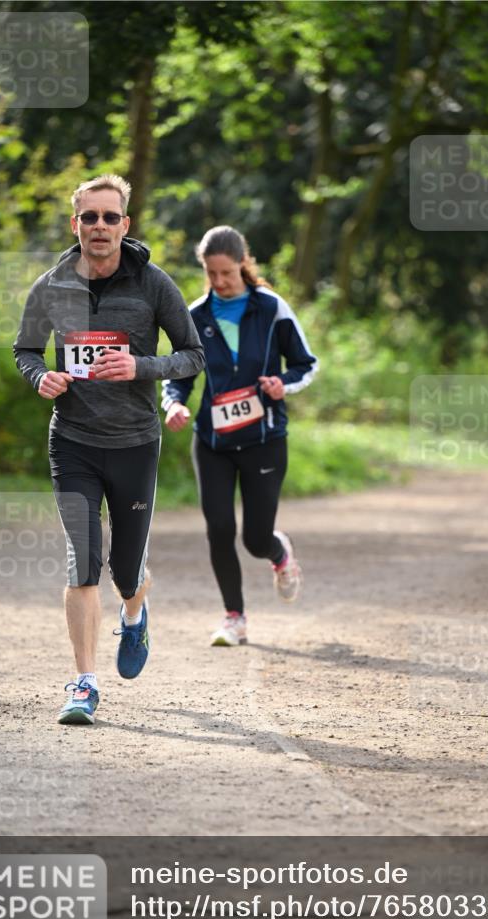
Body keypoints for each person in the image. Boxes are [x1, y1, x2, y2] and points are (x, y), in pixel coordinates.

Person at [13, 174, 205, 724]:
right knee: (82, 562)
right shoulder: (50, 286)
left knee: (125, 568)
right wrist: (40, 377)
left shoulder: (153, 284)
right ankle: (83, 684)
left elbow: (192, 354)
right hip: (72, 441)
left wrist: (140, 366)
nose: (100, 226)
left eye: (110, 217)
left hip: (135, 443)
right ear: (75, 224)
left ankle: (136, 612)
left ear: (126, 224)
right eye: (89, 217)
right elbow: (25, 348)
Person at [162, 225, 318, 646]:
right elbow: (180, 376)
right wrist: (173, 403)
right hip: (212, 441)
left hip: (263, 439)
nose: (219, 282)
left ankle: (279, 554)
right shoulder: (195, 316)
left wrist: (282, 384)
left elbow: (307, 364)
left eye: (226, 273)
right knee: (218, 528)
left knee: (254, 538)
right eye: (211, 274)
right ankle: (234, 618)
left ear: (243, 264)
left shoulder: (271, 309)